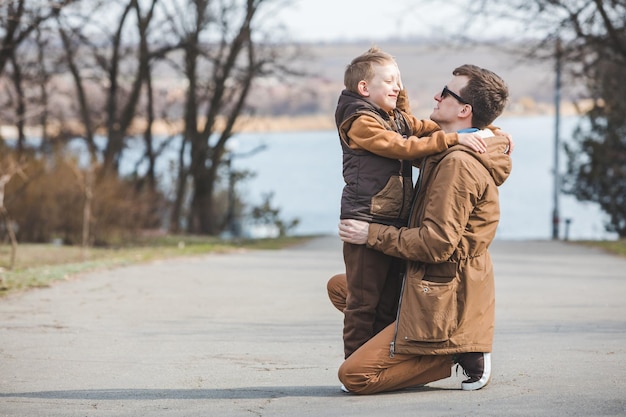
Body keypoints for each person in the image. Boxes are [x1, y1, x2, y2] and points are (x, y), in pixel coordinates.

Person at [332, 64, 512, 394]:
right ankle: (413, 346)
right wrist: (493, 133)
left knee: (355, 377)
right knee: (343, 289)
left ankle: (450, 353)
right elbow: (406, 142)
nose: (436, 95)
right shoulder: (446, 149)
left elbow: (436, 244)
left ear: (463, 109)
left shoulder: (457, 164)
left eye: (445, 92)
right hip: (428, 283)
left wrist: (370, 234)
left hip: (442, 294)